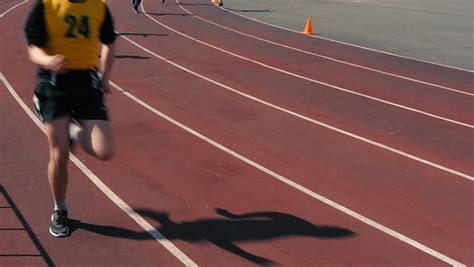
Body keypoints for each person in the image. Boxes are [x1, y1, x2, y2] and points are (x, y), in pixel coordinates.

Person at [24, 0, 116, 237]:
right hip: (54, 83)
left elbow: (109, 42)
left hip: (86, 82)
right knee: (60, 153)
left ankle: (72, 130)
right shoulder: (47, 5)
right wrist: (47, 60)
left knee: (104, 150)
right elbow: (33, 47)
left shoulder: (98, 6)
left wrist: (104, 77)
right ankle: (59, 208)